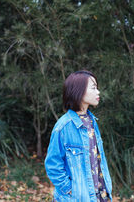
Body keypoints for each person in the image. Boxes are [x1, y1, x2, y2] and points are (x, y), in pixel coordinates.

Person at [45, 70, 112, 202]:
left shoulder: (92, 121)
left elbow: (96, 159)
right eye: (93, 88)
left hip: (99, 195)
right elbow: (53, 164)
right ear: (79, 91)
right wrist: (70, 190)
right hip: (77, 197)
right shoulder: (64, 126)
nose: (98, 92)